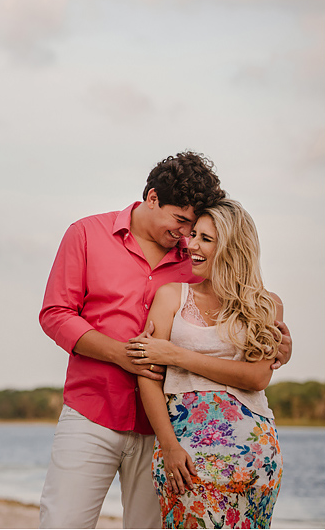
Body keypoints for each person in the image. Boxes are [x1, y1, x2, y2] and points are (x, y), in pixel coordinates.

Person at [37, 152, 291, 529]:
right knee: (62, 522)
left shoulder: (196, 257)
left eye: (195, 229)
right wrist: (120, 355)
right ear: (152, 198)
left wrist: (279, 345)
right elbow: (55, 314)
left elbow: (238, 303)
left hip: (167, 427)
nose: (187, 236)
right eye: (181, 221)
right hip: (94, 410)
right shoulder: (87, 234)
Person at [129, 199, 283, 528]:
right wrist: (168, 446)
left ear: (231, 248)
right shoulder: (171, 296)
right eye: (193, 234)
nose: (191, 244)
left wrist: (175, 355)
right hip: (184, 451)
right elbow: (148, 378)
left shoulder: (265, 304)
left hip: (252, 454)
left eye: (205, 239)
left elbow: (257, 377)